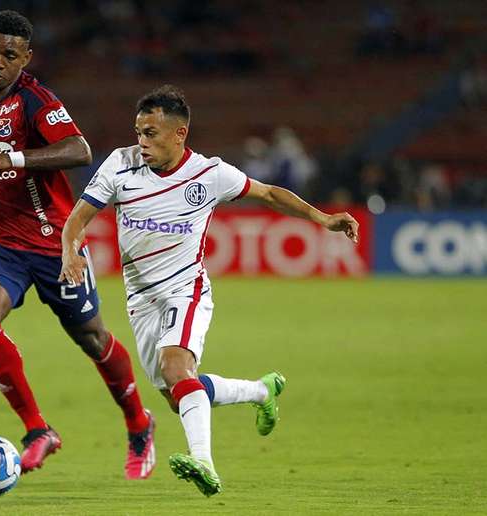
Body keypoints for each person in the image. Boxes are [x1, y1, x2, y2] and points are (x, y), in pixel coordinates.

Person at [59, 85, 359, 496]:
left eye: (151, 133)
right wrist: (69, 252)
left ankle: (203, 462)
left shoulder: (209, 173)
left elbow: (270, 193)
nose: (142, 142)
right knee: (177, 390)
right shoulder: (120, 164)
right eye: (138, 132)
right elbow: (78, 217)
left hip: (187, 289)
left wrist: (322, 218)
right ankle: (260, 390)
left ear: (179, 134)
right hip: (141, 300)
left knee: (176, 369)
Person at [0, 10, 155, 479]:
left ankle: (138, 423)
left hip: (54, 241)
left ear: (25, 59)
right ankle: (37, 429)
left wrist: (14, 157)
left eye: (10, 54)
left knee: (91, 338)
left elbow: (80, 150)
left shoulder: (34, 101)